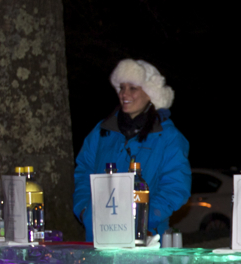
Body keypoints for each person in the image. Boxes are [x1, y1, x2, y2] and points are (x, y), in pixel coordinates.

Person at [73, 59, 191, 241]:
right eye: (122, 87)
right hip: (100, 237)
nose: (124, 94)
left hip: (146, 240)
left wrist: (143, 219)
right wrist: (84, 210)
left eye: (133, 88)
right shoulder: (102, 131)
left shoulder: (169, 137)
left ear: (150, 93)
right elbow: (83, 172)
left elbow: (175, 188)